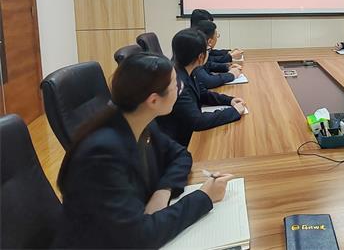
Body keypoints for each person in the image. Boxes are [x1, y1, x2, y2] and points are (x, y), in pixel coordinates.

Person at [54, 53, 234, 248]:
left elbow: (180, 155)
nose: (180, 88)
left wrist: (163, 190)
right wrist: (204, 197)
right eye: (176, 85)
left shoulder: (139, 122)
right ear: (154, 100)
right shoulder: (102, 154)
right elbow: (139, 238)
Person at [157, 29, 246, 147]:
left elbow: (203, 93)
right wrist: (233, 112)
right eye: (207, 50)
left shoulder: (186, 70)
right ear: (201, 57)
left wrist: (229, 100)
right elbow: (198, 121)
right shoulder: (177, 83)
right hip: (180, 142)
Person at [193, 20, 242, 88]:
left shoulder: (195, 46)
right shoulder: (195, 55)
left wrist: (227, 67)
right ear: (209, 41)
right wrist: (231, 74)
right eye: (216, 35)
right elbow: (209, 81)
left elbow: (207, 64)